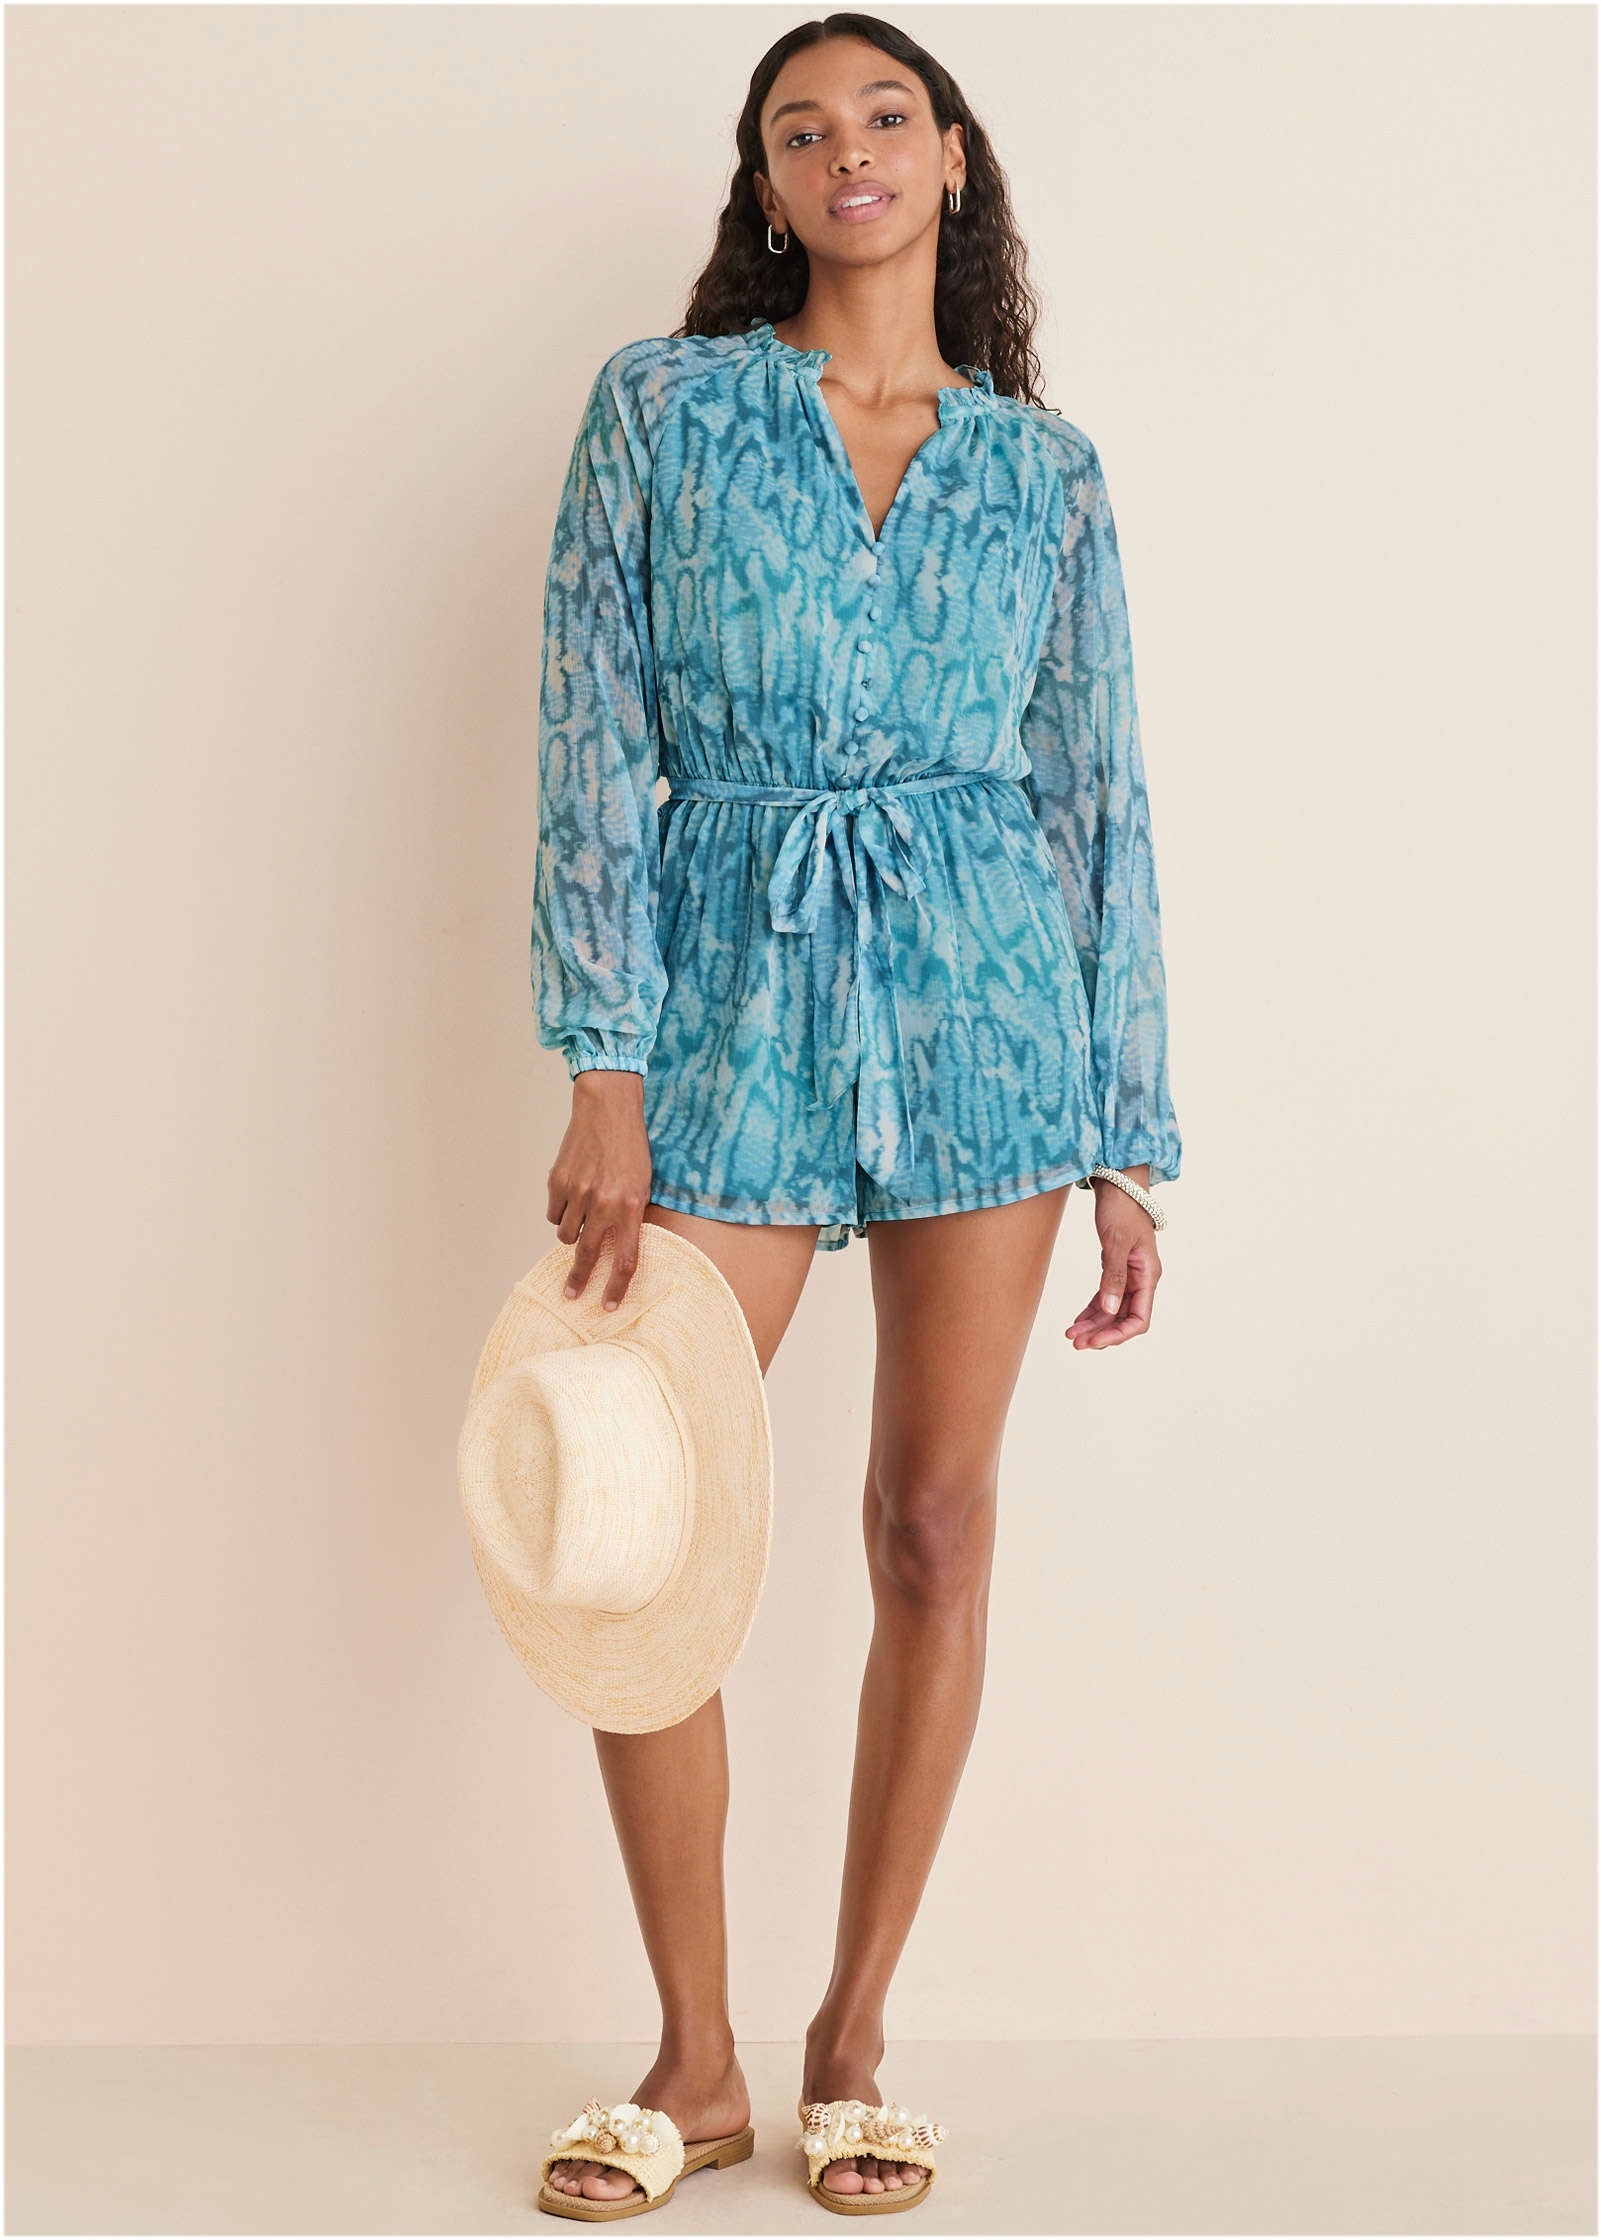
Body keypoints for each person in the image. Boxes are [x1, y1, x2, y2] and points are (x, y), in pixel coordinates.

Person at [533, 12, 1182, 2214]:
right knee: (636, 1514)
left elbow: (1095, 800)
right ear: (768, 184)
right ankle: (692, 2056)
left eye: (884, 114)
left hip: (990, 1016)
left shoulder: (1042, 473)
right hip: (726, 1003)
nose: (848, 151)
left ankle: (852, 2034)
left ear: (952, 156)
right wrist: (602, 1060)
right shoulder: (665, 412)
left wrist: (1124, 1138)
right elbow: (589, 732)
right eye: (799, 129)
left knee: (930, 1525)